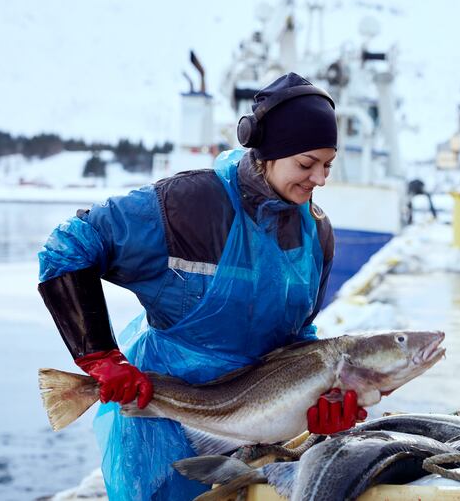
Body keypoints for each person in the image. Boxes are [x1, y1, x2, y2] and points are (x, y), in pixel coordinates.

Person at [37, 72, 365, 500]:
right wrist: (100, 357)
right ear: (266, 151)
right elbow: (67, 248)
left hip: (259, 428)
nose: (319, 179)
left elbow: (298, 336)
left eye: (327, 165)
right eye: (306, 164)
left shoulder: (315, 234)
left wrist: (322, 395)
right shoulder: (187, 206)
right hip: (163, 425)